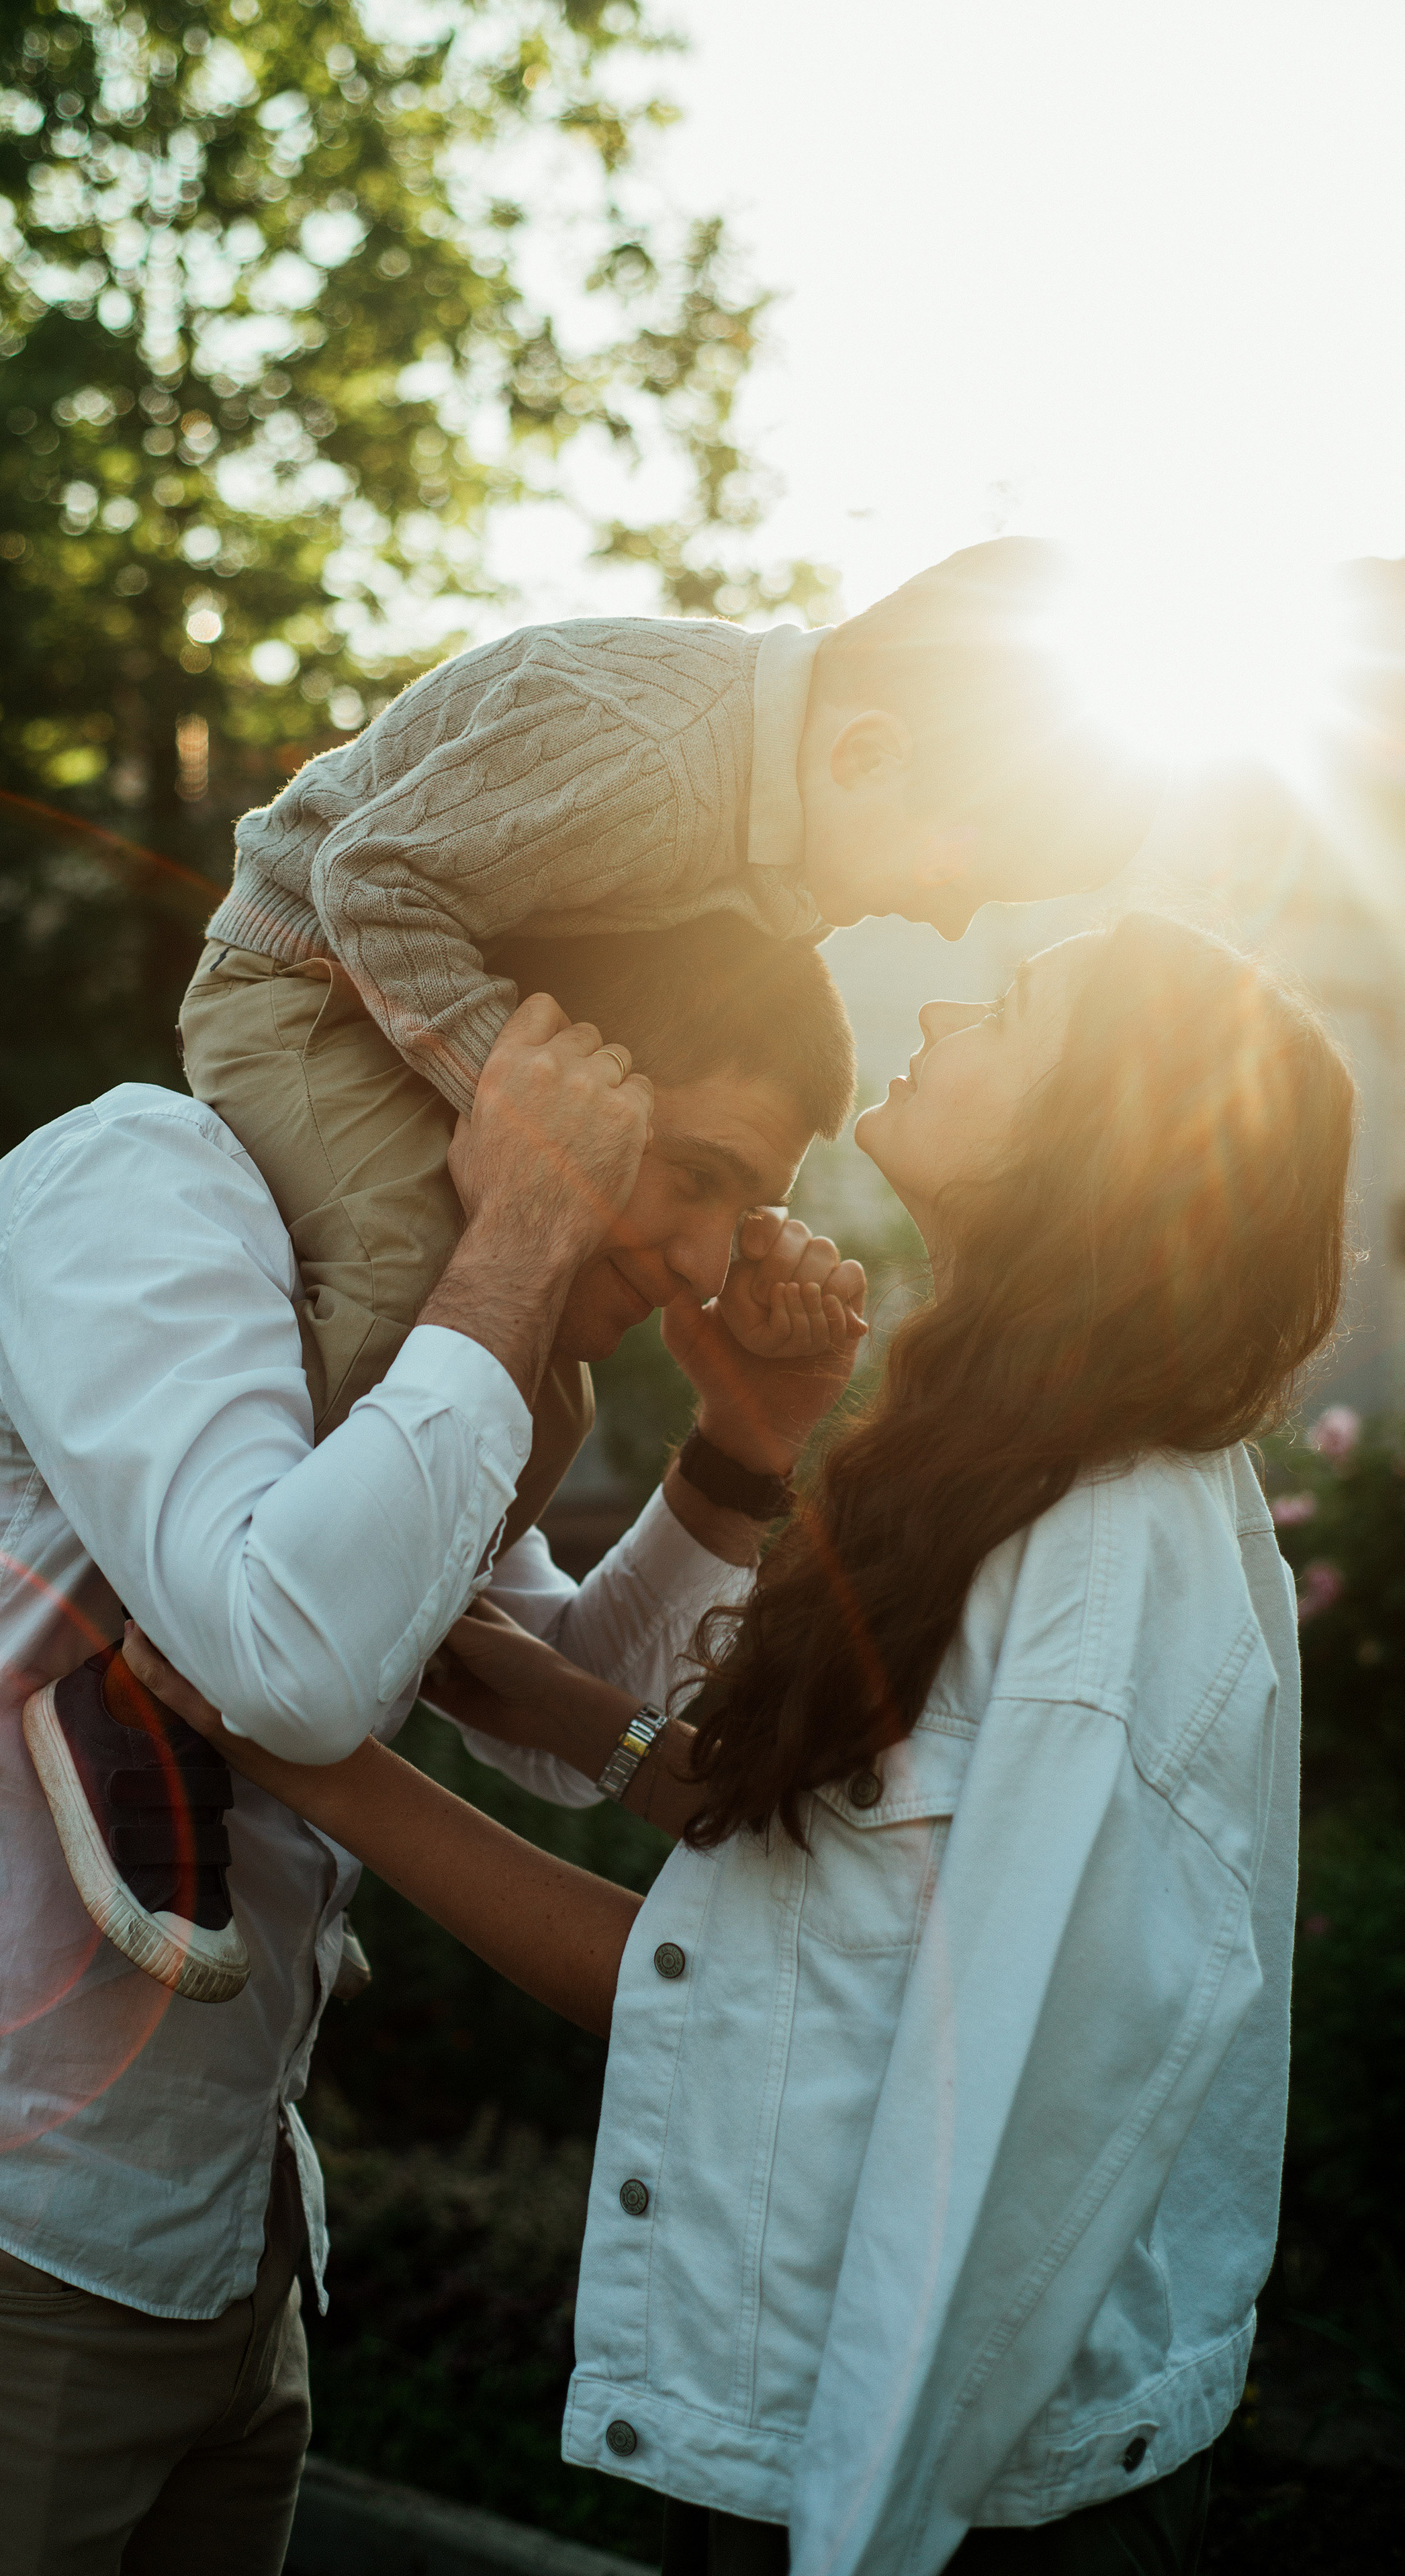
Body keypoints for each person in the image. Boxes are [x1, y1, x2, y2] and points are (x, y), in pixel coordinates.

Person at [126, 912, 1353, 2576]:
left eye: (1004, 1008)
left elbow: (925, 2073)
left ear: (1102, 1136)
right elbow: (854, 1879)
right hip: (835, 2451)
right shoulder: (1005, 1463)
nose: (943, 1006)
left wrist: (308, 1758)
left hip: (937, 2486)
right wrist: (561, 1692)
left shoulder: (1104, 1554)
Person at [0, 917, 864, 2575]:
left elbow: (555, 1707)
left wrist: (740, 1451)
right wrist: (523, 1231)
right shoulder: (147, 1194)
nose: (700, 1253)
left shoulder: (467, 1355)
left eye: (743, 1209)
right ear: (516, 1077)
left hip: (222, 2255)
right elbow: (288, 1665)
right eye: (687, 1169)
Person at [46, 543, 1159, 1982]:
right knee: (408, 1283)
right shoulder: (650, 748)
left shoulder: (771, 824)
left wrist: (736, 1439)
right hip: (308, 981)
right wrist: (530, 1128)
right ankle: (146, 1685)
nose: (949, 920)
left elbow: (576, 1718)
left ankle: (333, 1653)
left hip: (427, 1003)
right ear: (871, 751)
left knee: (534, 1392)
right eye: (968, 873)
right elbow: (366, 876)